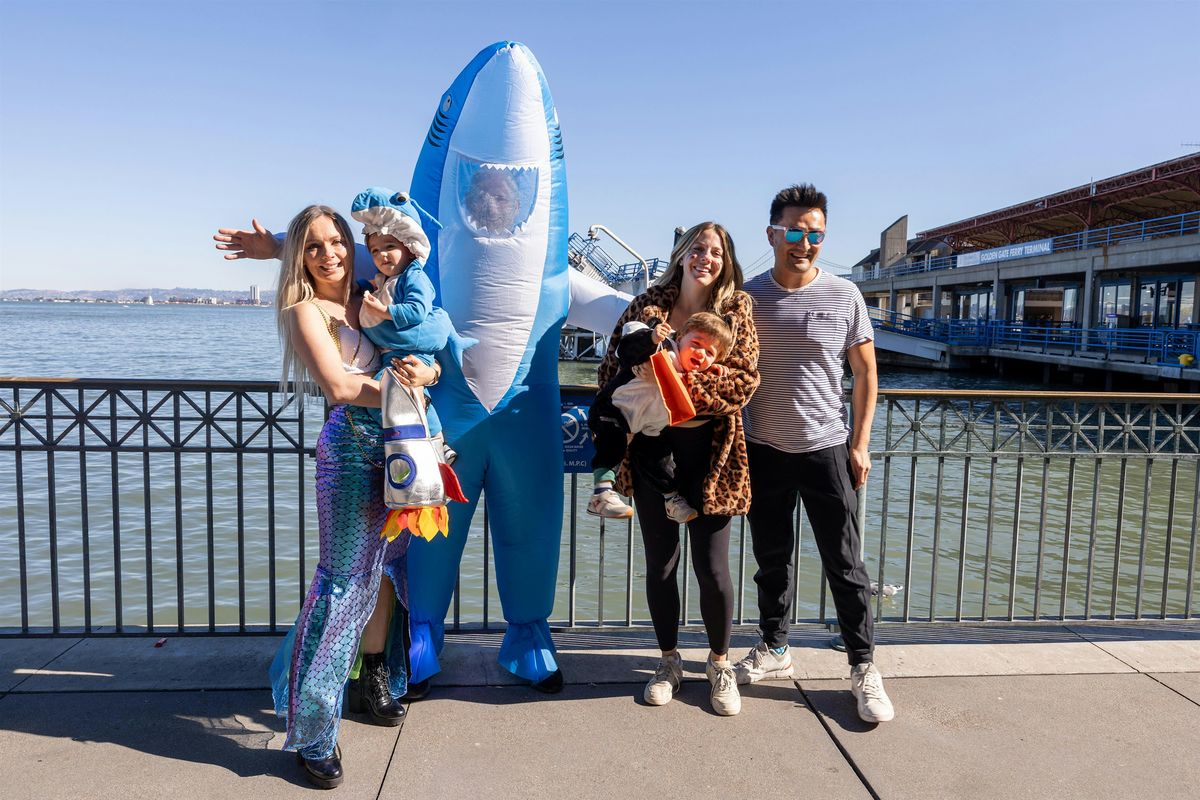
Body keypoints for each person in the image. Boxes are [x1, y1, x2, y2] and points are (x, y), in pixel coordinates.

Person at [250, 205, 438, 789]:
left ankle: (373, 681)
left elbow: (427, 355)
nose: (329, 253)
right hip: (352, 456)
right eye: (313, 247)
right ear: (300, 258)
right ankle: (311, 732)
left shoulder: (373, 292)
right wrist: (395, 386)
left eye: (336, 241)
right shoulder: (304, 309)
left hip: (401, 447)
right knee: (339, 586)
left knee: (387, 570)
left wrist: (424, 376)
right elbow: (337, 384)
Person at [733, 184, 895, 724]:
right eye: (796, 231)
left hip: (827, 448)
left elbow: (867, 371)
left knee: (845, 564)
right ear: (773, 234)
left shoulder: (845, 295)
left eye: (816, 234)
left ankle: (864, 667)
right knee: (770, 562)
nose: (805, 243)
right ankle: (775, 648)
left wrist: (861, 443)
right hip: (764, 448)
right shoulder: (747, 297)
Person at [597, 222, 758, 716]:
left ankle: (718, 662)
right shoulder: (648, 305)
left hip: (711, 458)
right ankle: (667, 660)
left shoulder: (737, 310)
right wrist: (648, 383)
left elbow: (745, 381)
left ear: (725, 260)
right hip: (651, 454)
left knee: (712, 569)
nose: (704, 258)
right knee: (661, 564)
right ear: (682, 255)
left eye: (714, 251)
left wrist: (677, 388)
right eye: (696, 249)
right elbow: (612, 367)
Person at [587, 311, 733, 524]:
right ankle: (601, 494)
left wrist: (716, 370)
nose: (701, 354)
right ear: (680, 337)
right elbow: (627, 349)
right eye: (696, 344)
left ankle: (671, 499)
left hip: (649, 425)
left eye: (709, 353)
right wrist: (651, 338)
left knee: (659, 459)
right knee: (612, 444)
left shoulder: (700, 375)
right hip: (614, 410)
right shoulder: (664, 348)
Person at [349, 186, 460, 461]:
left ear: (409, 248)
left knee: (403, 396)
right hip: (394, 356)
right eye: (375, 250)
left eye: (389, 247)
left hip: (409, 355)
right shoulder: (387, 278)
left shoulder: (414, 276)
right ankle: (418, 440)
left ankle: (436, 441)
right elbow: (377, 291)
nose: (382, 255)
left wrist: (386, 312)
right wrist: (360, 287)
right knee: (396, 396)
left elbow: (417, 310)